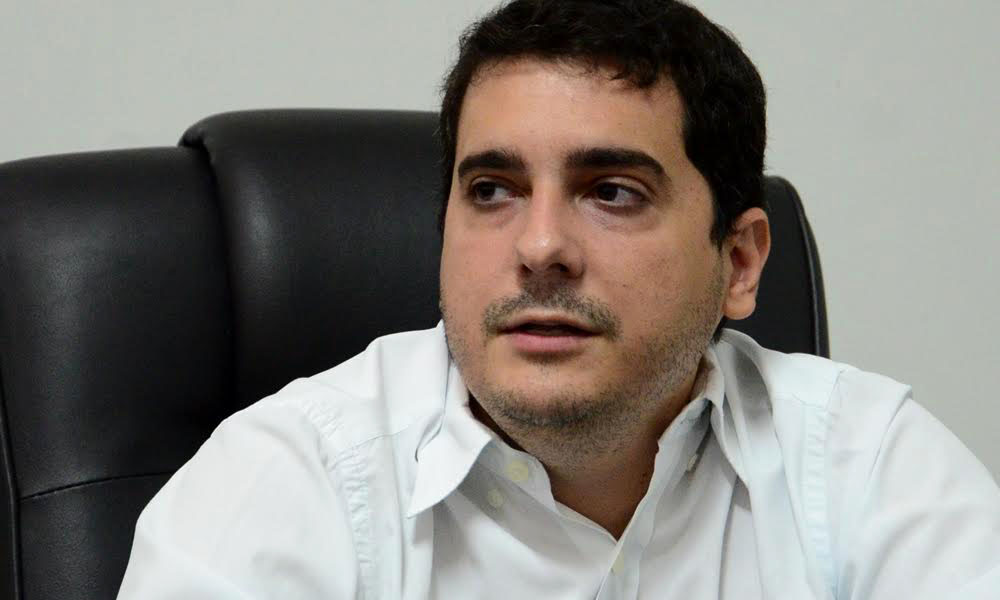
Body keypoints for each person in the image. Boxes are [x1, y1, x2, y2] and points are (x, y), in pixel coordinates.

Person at [117, 1, 1000, 598]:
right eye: (492, 191)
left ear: (738, 261)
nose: (539, 248)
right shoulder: (286, 482)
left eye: (611, 192)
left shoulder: (869, 469)